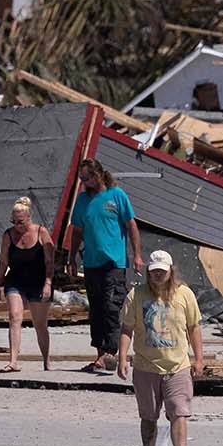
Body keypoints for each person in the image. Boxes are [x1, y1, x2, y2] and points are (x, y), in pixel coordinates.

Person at [118, 250, 205, 446]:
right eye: (154, 271)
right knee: (149, 416)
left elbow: (194, 327)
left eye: (162, 271)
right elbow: (127, 328)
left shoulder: (184, 294)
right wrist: (122, 357)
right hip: (146, 366)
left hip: (178, 366)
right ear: (148, 272)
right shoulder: (136, 295)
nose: (158, 275)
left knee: (179, 412)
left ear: (170, 271)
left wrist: (199, 359)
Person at [62, 158, 139, 375]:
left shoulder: (116, 196)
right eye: (81, 178)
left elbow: (131, 225)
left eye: (86, 177)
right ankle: (99, 355)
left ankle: (112, 353)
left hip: (114, 262)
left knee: (111, 306)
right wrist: (71, 258)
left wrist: (137, 256)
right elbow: (77, 231)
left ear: (98, 175)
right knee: (95, 309)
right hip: (91, 262)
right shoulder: (83, 200)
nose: (84, 181)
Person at [0, 196, 55, 372]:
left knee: (40, 323)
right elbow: (3, 263)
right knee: (14, 316)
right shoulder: (8, 235)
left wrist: (48, 283)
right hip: (16, 281)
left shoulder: (41, 232)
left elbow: (50, 262)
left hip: (38, 281)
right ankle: (13, 361)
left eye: (20, 222)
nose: (17, 225)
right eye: (14, 221)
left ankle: (46, 360)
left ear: (29, 217)